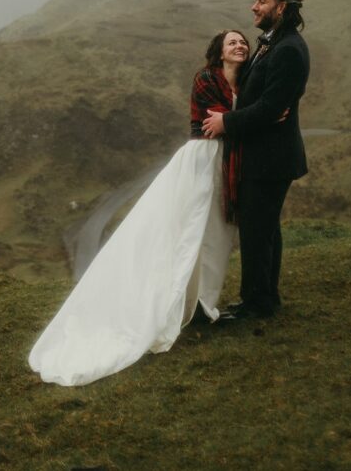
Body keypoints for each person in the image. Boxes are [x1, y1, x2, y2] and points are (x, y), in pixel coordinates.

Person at [29, 30, 249, 386]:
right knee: (188, 231)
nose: (240, 46)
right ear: (219, 52)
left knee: (217, 235)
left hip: (226, 163)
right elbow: (216, 122)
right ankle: (171, 303)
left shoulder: (246, 82)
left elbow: (236, 121)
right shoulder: (207, 79)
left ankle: (203, 302)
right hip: (201, 161)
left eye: (243, 42)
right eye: (232, 43)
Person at [203, 0, 310, 320]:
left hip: (271, 158)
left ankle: (256, 303)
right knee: (264, 229)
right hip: (262, 155)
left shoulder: (290, 49)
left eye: (261, 1)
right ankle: (265, 297)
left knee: (256, 231)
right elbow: (261, 101)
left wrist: (226, 123)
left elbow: (269, 108)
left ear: (280, 8)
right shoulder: (272, 43)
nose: (253, 6)